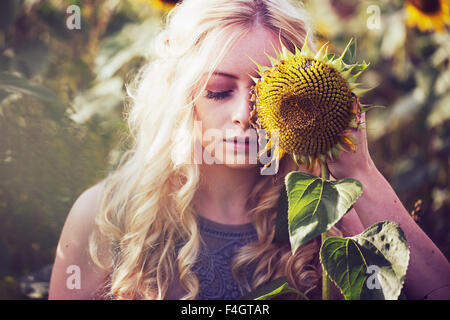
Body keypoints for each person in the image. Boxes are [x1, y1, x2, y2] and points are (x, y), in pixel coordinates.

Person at [48, 0, 450, 300]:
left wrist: (359, 171)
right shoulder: (110, 217)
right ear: (179, 95)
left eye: (266, 92)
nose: (244, 114)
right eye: (219, 91)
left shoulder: (326, 216)